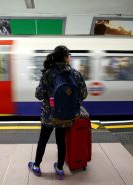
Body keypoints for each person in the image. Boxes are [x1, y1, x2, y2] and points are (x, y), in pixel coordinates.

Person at [28, 45, 88, 180]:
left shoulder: (48, 73)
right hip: (66, 115)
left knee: (43, 140)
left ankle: (36, 166)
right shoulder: (76, 74)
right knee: (61, 141)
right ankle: (60, 169)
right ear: (66, 57)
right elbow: (84, 94)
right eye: (69, 55)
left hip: (49, 115)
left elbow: (38, 95)